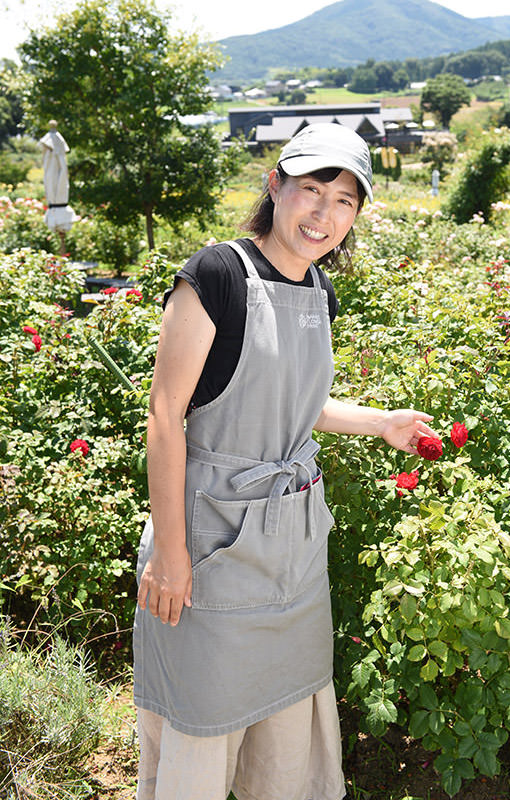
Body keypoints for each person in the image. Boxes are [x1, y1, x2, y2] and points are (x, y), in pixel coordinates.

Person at [133, 122, 437, 800]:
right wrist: (173, 554)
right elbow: (164, 416)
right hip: (211, 541)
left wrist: (382, 422)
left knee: (287, 738)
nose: (324, 214)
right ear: (275, 187)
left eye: (345, 201)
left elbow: (298, 401)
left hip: (292, 548)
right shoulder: (217, 275)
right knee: (202, 721)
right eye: (311, 190)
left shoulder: (319, 291)